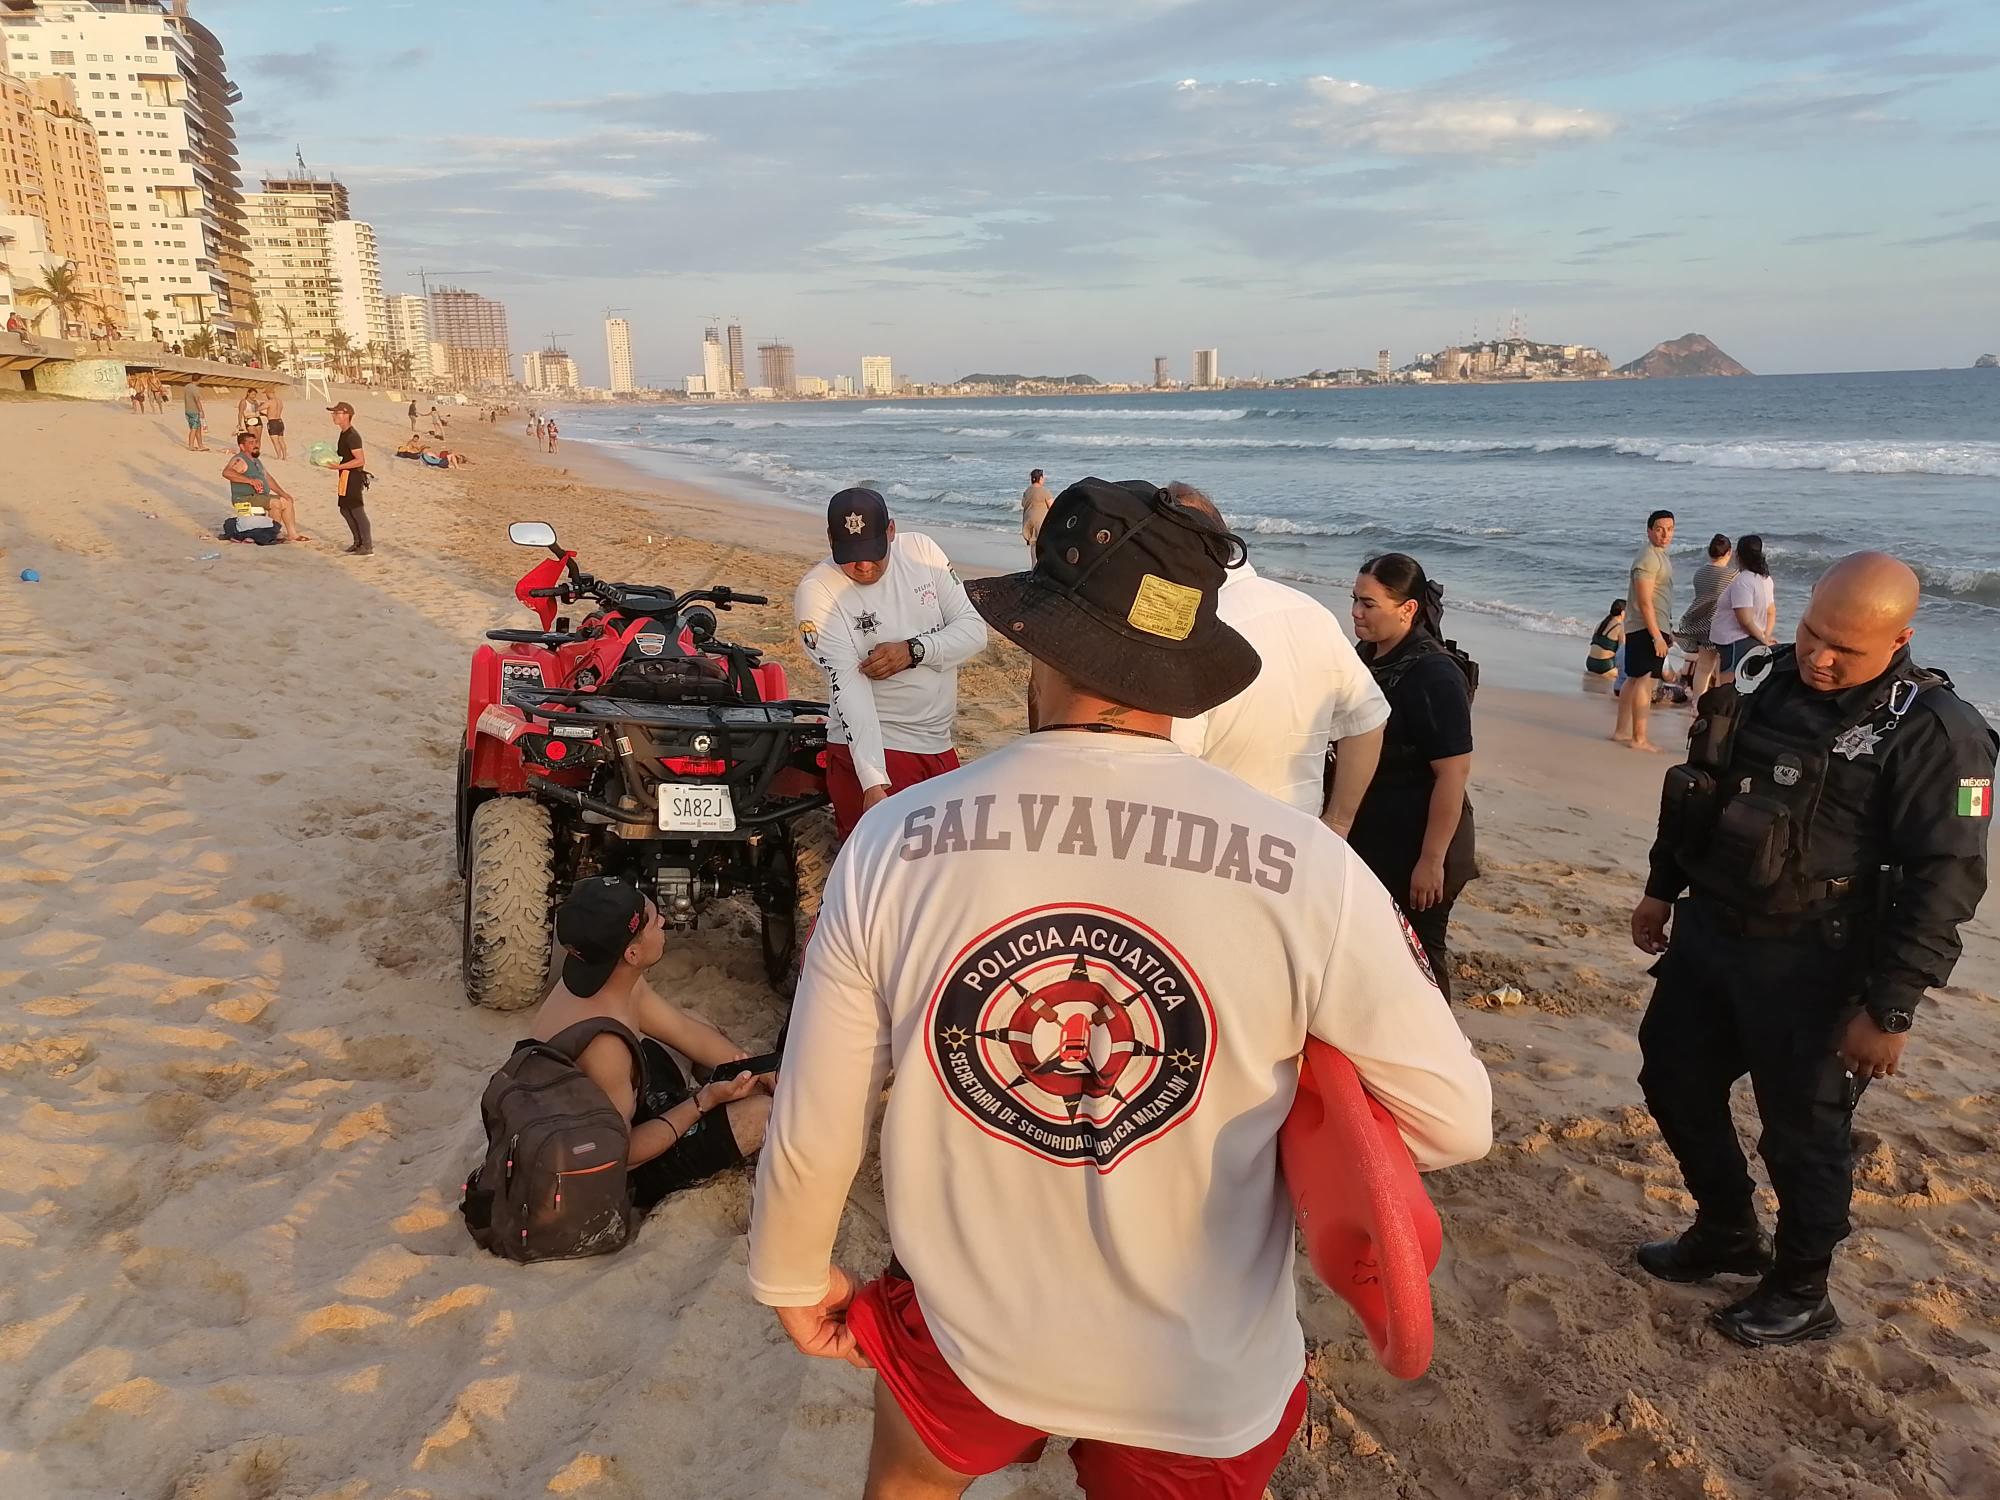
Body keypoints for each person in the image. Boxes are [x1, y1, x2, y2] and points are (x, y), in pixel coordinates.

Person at [749, 476, 1492, 1500]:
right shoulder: (1308, 869)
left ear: (1036, 645)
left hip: (967, 1333)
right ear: (1187, 669)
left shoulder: (893, 841)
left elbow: (817, 1109)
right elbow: (1454, 1122)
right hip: (1200, 1363)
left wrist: (789, 1274)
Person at [1631, 552, 1996, 1346]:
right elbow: (1699, 789)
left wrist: (1891, 1007)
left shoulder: (1941, 735)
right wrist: (1663, 887)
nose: (1820, 658)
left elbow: (1948, 881)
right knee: (1673, 1079)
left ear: (1901, 636)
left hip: (1822, 964)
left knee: (1803, 1134)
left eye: (1845, 650)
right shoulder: (1768, 684)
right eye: (1810, 633)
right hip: (1715, 939)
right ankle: (1727, 1229)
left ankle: (1801, 1289)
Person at [527, 878, 771, 1209]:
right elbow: (621, 1154)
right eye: (654, 920)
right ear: (632, 952)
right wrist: (702, 1102)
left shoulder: (603, 978)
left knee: (700, 1026)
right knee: (762, 1114)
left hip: (612, 1113)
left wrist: (759, 1071)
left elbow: (685, 1032)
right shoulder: (604, 1047)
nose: (663, 921)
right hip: (616, 1168)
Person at [1162, 482, 1388, 832]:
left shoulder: (1192, 631)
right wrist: (1338, 824)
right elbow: (1368, 718)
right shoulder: (1311, 612)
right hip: (1300, 840)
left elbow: (1171, 761)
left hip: (1215, 845)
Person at [793, 487, 988, 839]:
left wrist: (915, 650)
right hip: (880, 747)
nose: (864, 566)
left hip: (939, 745)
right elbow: (848, 686)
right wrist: (872, 781)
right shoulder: (818, 592)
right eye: (850, 555)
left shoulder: (922, 553)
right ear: (830, 539)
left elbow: (974, 631)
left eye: (873, 552)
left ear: (891, 531)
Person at [1346, 553, 1477, 1001]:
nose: (1356, 613)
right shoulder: (1368, 655)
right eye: (1355, 600)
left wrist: (1431, 860)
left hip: (1424, 844)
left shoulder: (1434, 674)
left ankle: (1441, 1054)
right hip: (1377, 835)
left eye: (1368, 604)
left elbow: (1454, 773)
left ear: (1407, 609)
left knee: (1420, 958)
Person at [1614, 509, 1676, 751]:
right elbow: (1644, 601)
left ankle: (1621, 731)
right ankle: (1639, 737)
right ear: (1649, 530)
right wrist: (1656, 635)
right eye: (1659, 529)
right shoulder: (1648, 558)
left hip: (1644, 626)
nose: (1664, 534)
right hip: (1645, 627)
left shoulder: (1658, 555)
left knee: (1633, 677)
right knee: (1643, 680)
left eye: (1669, 529)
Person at [1710, 534, 1777, 684]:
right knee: (1747, 683)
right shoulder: (1766, 579)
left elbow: (1744, 619)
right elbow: (1771, 611)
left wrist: (1763, 640)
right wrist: (1765, 634)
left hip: (1735, 639)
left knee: (1730, 686)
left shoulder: (1743, 581)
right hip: (1751, 637)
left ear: (1738, 555)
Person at [222, 428, 308, 543]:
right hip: (244, 498)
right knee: (275, 503)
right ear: (242, 447)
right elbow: (227, 473)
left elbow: (268, 479)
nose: (255, 445)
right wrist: (250, 481)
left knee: (286, 501)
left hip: (259, 496)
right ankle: (274, 534)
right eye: (251, 443)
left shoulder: (256, 461)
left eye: (256, 442)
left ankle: (292, 534)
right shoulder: (239, 460)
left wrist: (283, 493)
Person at [1679, 534, 1737, 701]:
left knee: (1703, 668)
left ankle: (1697, 704)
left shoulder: (1700, 572)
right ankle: (1716, 704)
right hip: (1720, 626)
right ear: (1729, 553)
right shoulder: (1732, 575)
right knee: (1723, 670)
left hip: (1700, 624)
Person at [328, 401, 372, 556]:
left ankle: (367, 545)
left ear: (346, 415)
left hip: (353, 476)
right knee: (345, 509)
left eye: (336, 413)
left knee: (357, 510)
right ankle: (357, 542)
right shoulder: (344, 433)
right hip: (345, 475)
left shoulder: (353, 435)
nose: (333, 416)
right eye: (333, 413)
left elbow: (360, 460)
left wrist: (338, 467)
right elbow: (344, 455)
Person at [1587, 598, 1626, 678]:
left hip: (1590, 663)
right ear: (1622, 613)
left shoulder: (1600, 624)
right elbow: (1622, 653)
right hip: (1605, 666)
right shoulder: (1620, 627)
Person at [1020, 468, 1054, 559]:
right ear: (1040, 478)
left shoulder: (1027, 491)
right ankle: (1041, 564)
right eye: (1043, 477)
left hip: (1028, 520)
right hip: (1040, 521)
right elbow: (1052, 506)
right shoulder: (1045, 491)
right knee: (1043, 543)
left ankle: (1033, 565)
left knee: (1033, 544)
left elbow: (1023, 504)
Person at [182, 377, 208, 452]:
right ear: (199, 379)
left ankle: (200, 445)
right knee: (194, 429)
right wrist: (201, 411)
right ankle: (191, 446)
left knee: (198, 428)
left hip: (187, 410)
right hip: (194, 410)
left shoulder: (187, 386)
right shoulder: (195, 389)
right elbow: (197, 401)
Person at [262, 387, 288, 460]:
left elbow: (259, 408)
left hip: (272, 422)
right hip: (280, 421)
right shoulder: (280, 401)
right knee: (281, 440)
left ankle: (279, 456)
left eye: (266, 394)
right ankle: (284, 456)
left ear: (269, 393)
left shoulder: (269, 402)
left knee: (275, 441)